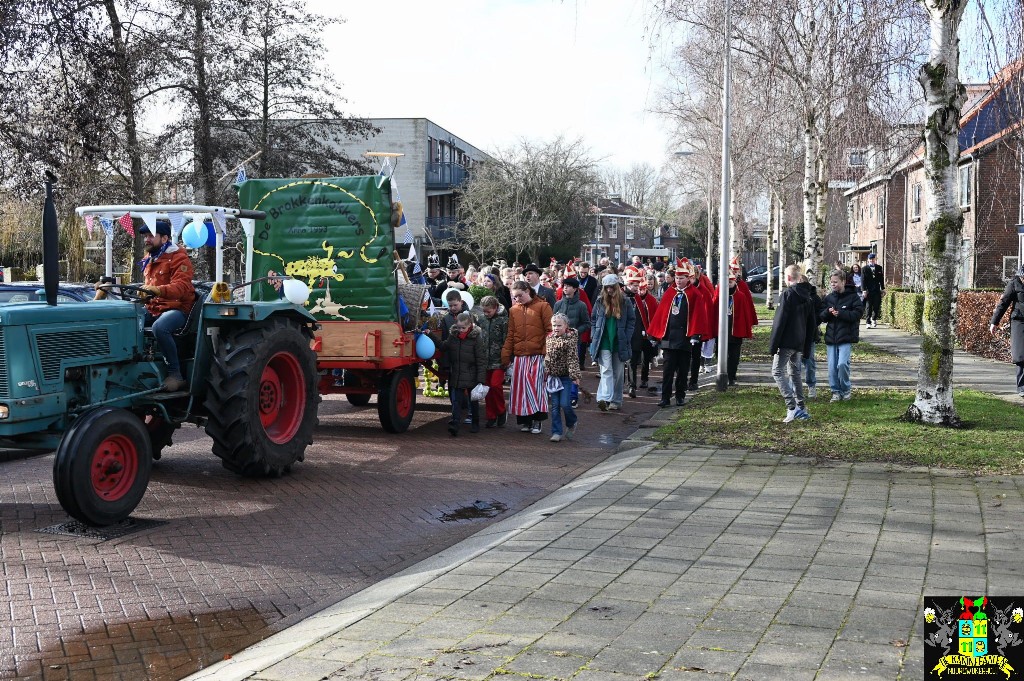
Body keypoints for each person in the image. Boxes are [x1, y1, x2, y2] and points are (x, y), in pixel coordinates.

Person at [98, 220, 196, 391]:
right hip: (155, 308)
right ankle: (130, 364)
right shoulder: (150, 258)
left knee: (160, 327)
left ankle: (176, 374)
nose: (147, 239)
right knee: (128, 319)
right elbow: (146, 288)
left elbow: (182, 287)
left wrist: (157, 290)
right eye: (145, 236)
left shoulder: (179, 258)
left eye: (151, 236)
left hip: (177, 308)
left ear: (165, 238)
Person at [648, 259, 708, 408]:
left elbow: (698, 315)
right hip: (669, 338)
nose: (679, 281)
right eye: (677, 278)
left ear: (688, 278)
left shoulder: (694, 294)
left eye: (681, 278)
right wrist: (655, 334)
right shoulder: (670, 292)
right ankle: (665, 398)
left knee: (682, 370)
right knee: (667, 371)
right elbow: (661, 315)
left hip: (685, 338)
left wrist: (696, 334)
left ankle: (680, 395)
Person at [501, 281, 553, 434]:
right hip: (520, 356)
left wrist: (546, 354)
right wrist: (505, 354)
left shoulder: (543, 306)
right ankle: (525, 421)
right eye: (515, 297)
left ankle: (537, 421)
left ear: (527, 291)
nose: (517, 299)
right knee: (520, 390)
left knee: (536, 389)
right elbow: (511, 334)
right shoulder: (513, 310)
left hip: (537, 355)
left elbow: (549, 332)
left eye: (520, 295)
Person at [768, 265, 817, 422]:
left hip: (786, 342)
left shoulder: (787, 294)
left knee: (777, 371)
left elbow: (780, 321)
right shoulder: (808, 297)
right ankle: (801, 406)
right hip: (799, 343)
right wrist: (807, 347)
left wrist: (773, 345)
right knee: (794, 373)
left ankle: (792, 407)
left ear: (788, 278)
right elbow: (812, 325)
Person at [589, 273, 635, 411]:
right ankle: (604, 398)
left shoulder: (625, 301)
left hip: (619, 340)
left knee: (618, 372)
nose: (609, 290)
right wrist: (594, 333)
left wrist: (627, 336)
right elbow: (593, 319)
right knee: (606, 370)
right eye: (607, 287)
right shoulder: (599, 301)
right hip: (603, 340)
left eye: (612, 287)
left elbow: (632, 320)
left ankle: (616, 399)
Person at [821, 271, 863, 401]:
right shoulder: (828, 298)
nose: (833, 285)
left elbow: (858, 314)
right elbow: (821, 316)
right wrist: (828, 312)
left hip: (846, 336)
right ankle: (835, 391)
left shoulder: (853, 297)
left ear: (843, 282)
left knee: (842, 364)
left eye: (836, 282)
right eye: (831, 282)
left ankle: (845, 389)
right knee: (832, 367)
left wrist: (841, 314)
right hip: (831, 338)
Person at [711, 270, 758, 386]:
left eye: (730, 282)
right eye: (726, 282)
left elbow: (745, 314)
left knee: (734, 356)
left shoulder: (740, 296)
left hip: (735, 331)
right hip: (721, 331)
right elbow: (713, 310)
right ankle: (723, 372)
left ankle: (731, 376)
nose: (728, 284)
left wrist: (745, 329)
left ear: (734, 283)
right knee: (720, 353)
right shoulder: (719, 295)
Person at [443, 312, 486, 436]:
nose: (461, 330)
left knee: (473, 402)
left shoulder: (476, 338)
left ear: (469, 326)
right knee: (456, 402)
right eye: (459, 327)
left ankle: (475, 423)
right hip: (457, 374)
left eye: (463, 328)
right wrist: (431, 336)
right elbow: (444, 346)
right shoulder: (454, 336)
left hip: (471, 375)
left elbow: (480, 359)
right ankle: (455, 424)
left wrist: (480, 379)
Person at [545, 313, 581, 442]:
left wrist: (575, 376)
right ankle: (556, 432)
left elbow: (572, 359)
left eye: (559, 325)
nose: (556, 328)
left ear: (566, 326)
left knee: (565, 404)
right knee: (555, 406)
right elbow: (548, 356)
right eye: (554, 325)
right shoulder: (549, 338)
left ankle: (572, 422)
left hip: (566, 377)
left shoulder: (570, 340)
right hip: (554, 377)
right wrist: (546, 370)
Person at [622, 266, 658, 397]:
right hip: (624, 334)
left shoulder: (638, 299)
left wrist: (648, 333)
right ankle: (626, 384)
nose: (636, 287)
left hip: (638, 334)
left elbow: (644, 317)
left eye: (637, 285)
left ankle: (633, 386)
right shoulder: (621, 296)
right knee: (627, 362)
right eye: (633, 284)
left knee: (635, 361)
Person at [989, 265, 1024, 397]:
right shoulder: (1014, 284)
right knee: (1021, 355)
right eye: (1023, 277)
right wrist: (994, 322)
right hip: (1019, 321)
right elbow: (1003, 303)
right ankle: (1022, 387)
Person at [478, 295, 509, 427]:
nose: (486, 314)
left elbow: (507, 340)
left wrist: (506, 358)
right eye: (484, 311)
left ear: (495, 308)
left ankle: (501, 411)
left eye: (488, 311)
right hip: (484, 360)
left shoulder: (503, 321)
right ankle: (491, 415)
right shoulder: (481, 320)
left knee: (496, 385)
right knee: (487, 388)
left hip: (498, 359)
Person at [553, 277, 592, 373]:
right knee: (558, 369)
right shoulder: (558, 304)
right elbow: (552, 321)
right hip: (558, 341)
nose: (565, 288)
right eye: (564, 286)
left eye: (568, 286)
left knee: (572, 370)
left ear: (575, 289)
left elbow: (587, 323)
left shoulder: (581, 305)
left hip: (574, 342)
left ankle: (572, 387)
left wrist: (575, 331)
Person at [796, 274, 822, 398]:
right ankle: (795, 386)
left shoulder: (814, 299)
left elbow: (819, 315)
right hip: (796, 335)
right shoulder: (792, 296)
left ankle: (811, 385)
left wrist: (812, 323)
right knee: (794, 362)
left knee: (809, 361)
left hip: (809, 335)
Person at [862, 252, 885, 328]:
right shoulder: (864, 269)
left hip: (876, 290)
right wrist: (864, 290)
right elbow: (863, 280)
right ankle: (868, 322)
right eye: (870, 259)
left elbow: (881, 279)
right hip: (868, 290)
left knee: (876, 306)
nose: (872, 260)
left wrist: (883, 288)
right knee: (868, 306)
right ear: (868, 260)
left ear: (875, 259)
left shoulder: (879, 268)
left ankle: (874, 319)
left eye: (873, 259)